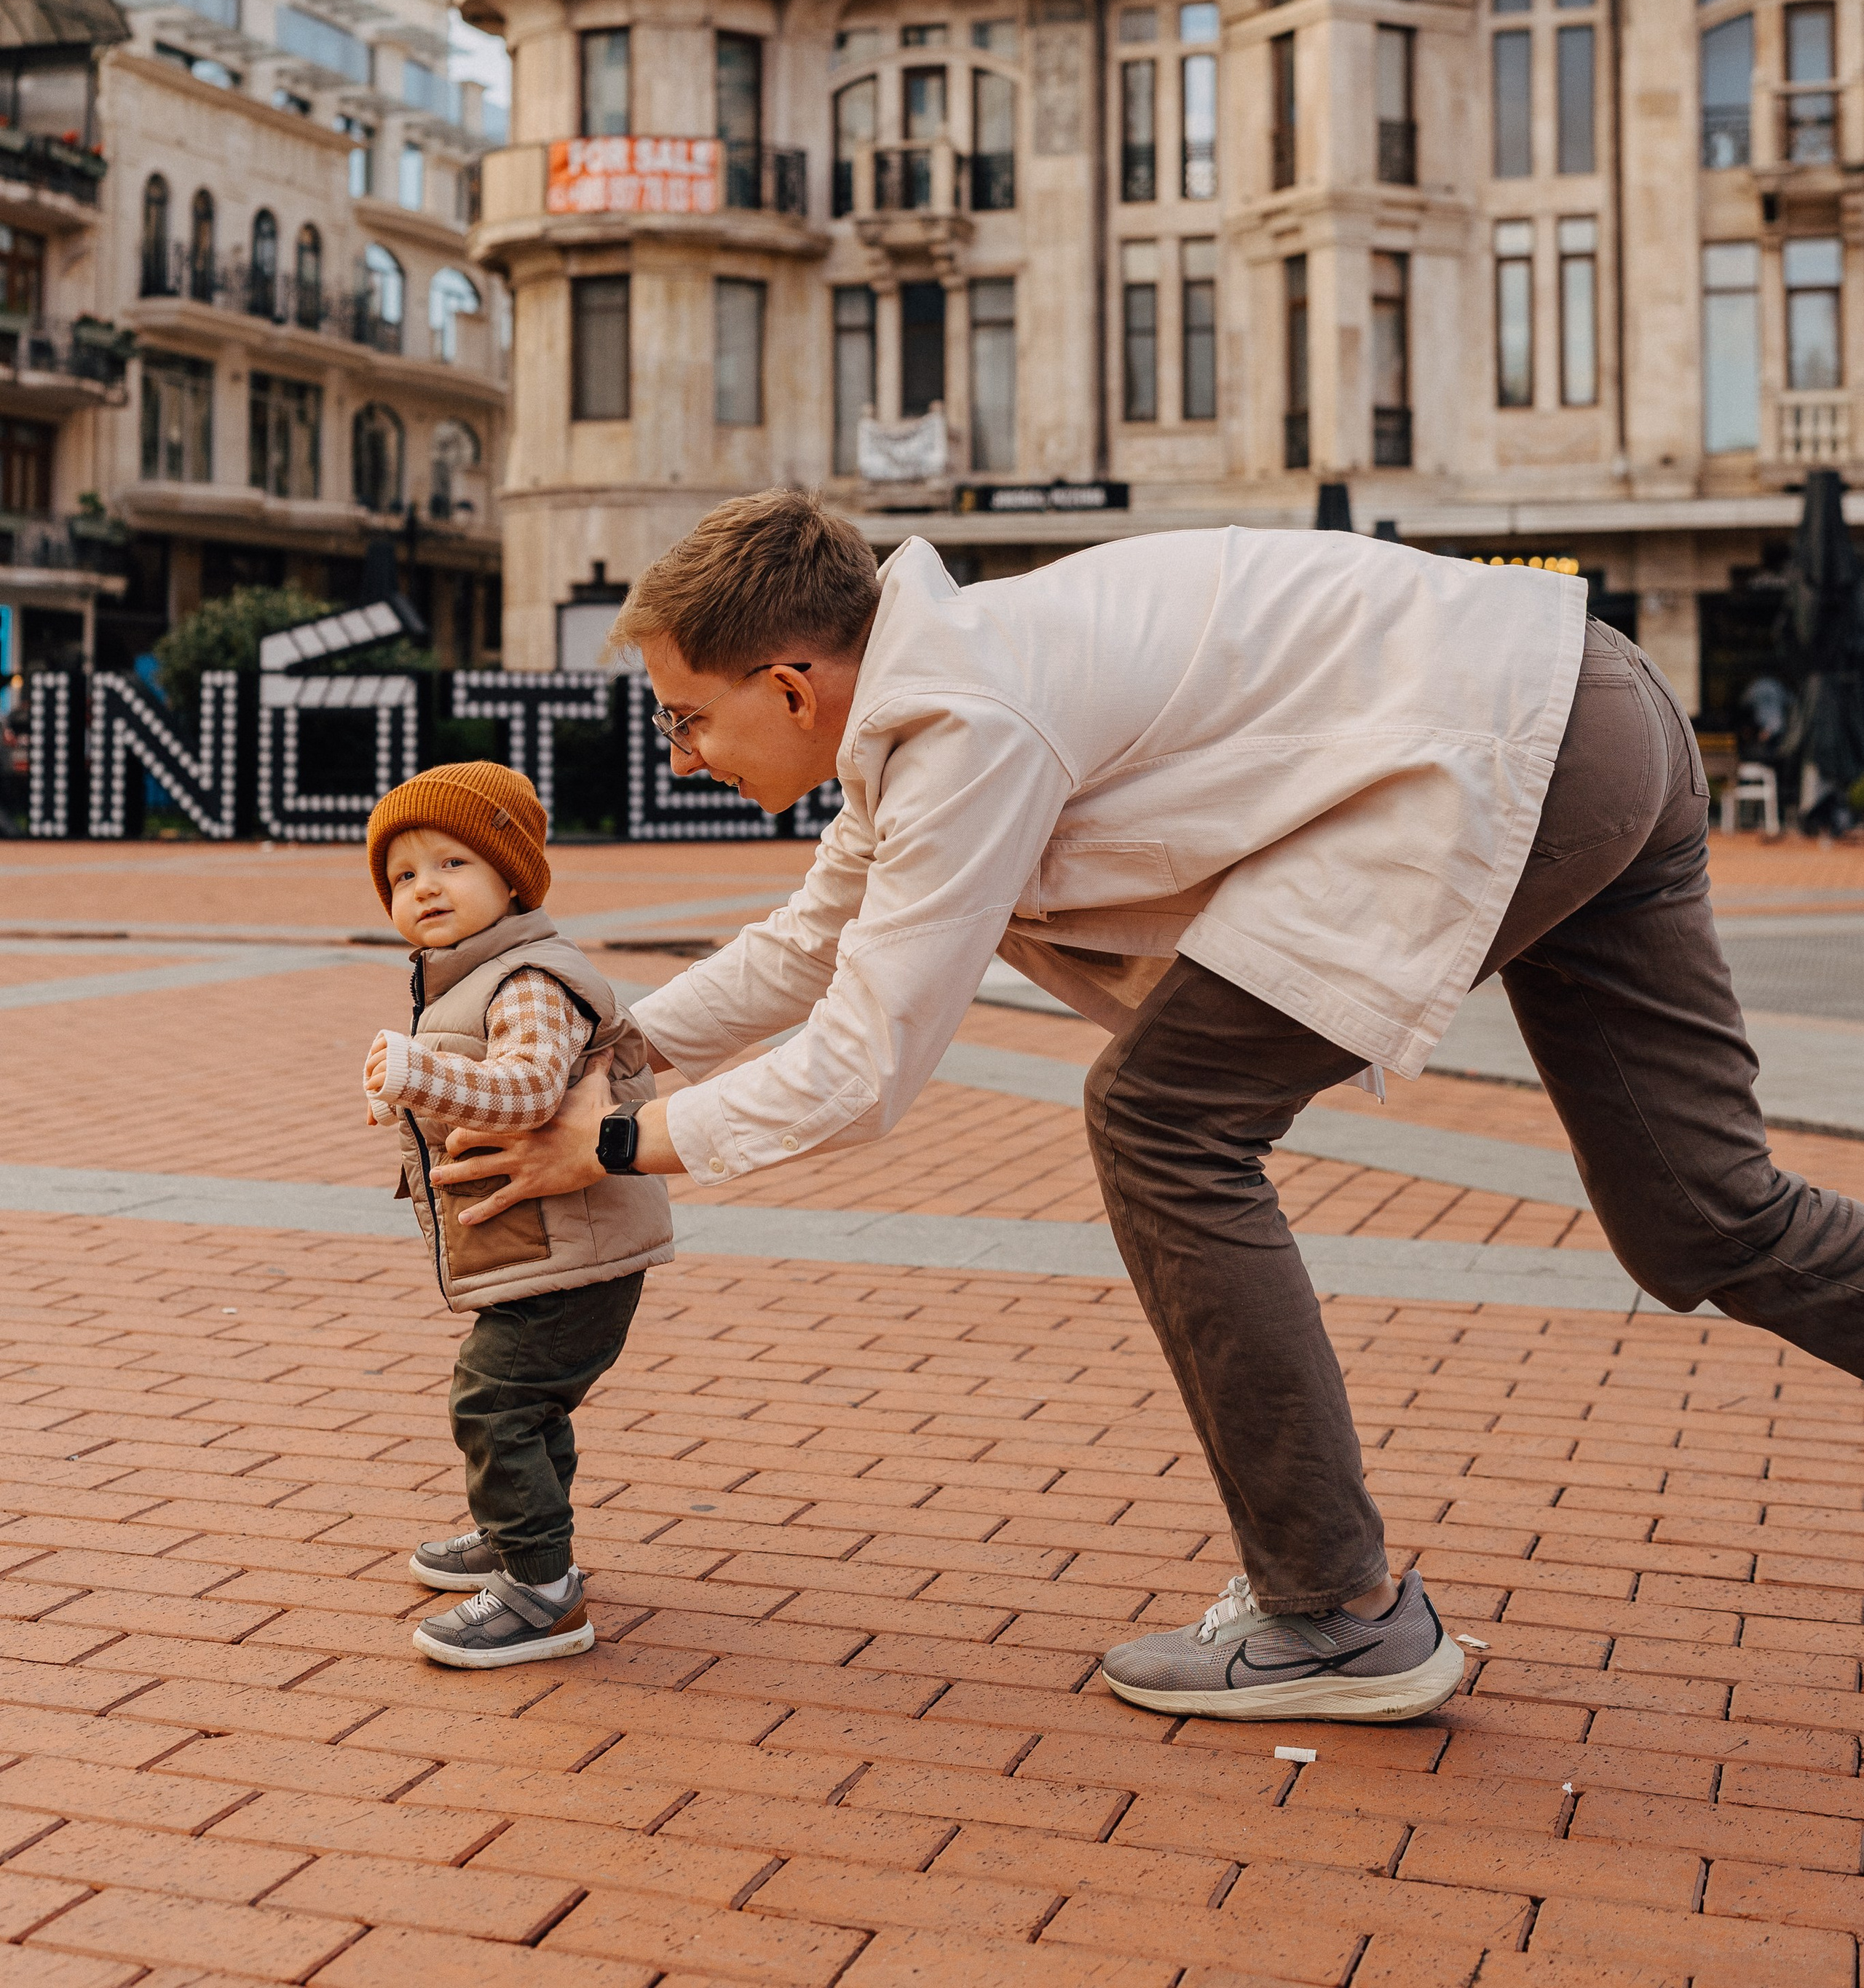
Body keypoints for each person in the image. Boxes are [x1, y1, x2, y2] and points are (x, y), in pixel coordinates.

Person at [434, 491, 1864, 1727]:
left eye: (692, 717)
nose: (684, 754)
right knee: (1702, 1220)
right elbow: (808, 945)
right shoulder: (936, 695)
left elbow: (864, 1066)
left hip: (1509, 748)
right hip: (1586, 705)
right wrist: (604, 1048)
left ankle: (1333, 1610)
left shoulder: (962, 718)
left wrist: (612, 1141)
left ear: (792, 685)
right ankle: (1326, 1599)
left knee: (1158, 1120)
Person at [363, 759, 670, 1668]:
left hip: (571, 1246)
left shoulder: (531, 977)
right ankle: (522, 1539)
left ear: (511, 875)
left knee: (493, 1402)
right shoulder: (471, 976)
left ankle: (542, 1592)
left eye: (451, 864)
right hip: (536, 1242)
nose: (424, 888)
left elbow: (532, 1088)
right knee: (528, 1405)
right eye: (402, 876)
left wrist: (417, 1071)